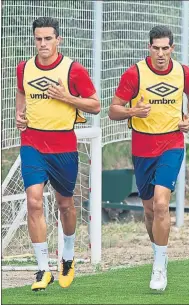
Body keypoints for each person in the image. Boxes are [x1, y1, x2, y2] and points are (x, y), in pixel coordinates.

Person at [108, 25, 189, 291]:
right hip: (142, 147)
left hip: (172, 143)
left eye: (165, 48)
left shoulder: (184, 73)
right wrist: (133, 111)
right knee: (149, 210)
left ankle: (159, 266)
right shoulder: (135, 73)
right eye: (156, 48)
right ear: (149, 47)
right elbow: (113, 111)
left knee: (161, 203)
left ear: (172, 48)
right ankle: (159, 251)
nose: (160, 53)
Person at [16, 16, 101, 291]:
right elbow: (21, 94)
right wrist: (20, 115)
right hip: (32, 144)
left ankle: (67, 255)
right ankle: (42, 269)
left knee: (65, 205)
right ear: (34, 39)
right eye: (38, 39)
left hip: (63, 147)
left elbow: (95, 105)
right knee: (34, 202)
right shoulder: (24, 68)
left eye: (48, 39)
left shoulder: (72, 70)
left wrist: (68, 98)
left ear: (58, 40)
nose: (43, 44)